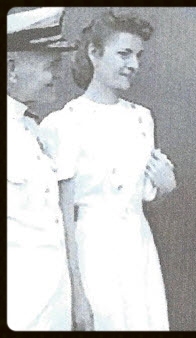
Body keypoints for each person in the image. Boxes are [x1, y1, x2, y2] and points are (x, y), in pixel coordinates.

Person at [40, 10, 176, 331]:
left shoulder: (142, 118)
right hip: (93, 256)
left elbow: (140, 195)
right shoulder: (62, 123)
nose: (134, 65)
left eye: (138, 55)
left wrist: (165, 187)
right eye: (124, 54)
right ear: (94, 54)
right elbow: (63, 219)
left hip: (139, 250)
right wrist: (77, 296)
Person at [7, 7, 76, 330]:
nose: (58, 75)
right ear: (11, 69)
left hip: (50, 309)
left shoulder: (32, 129)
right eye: (51, 65)